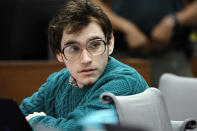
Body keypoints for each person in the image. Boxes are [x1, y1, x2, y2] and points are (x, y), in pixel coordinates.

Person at [19, 0, 149, 130]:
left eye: (95, 45)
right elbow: (16, 117)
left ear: (110, 44)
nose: (86, 59)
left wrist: (35, 120)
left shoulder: (123, 81)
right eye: (73, 49)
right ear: (59, 54)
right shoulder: (58, 81)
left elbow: (80, 128)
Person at [91, 0, 197, 86]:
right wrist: (125, 27)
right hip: (121, 56)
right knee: (117, 109)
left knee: (186, 108)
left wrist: (173, 21)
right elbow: (90, 3)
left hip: (173, 56)